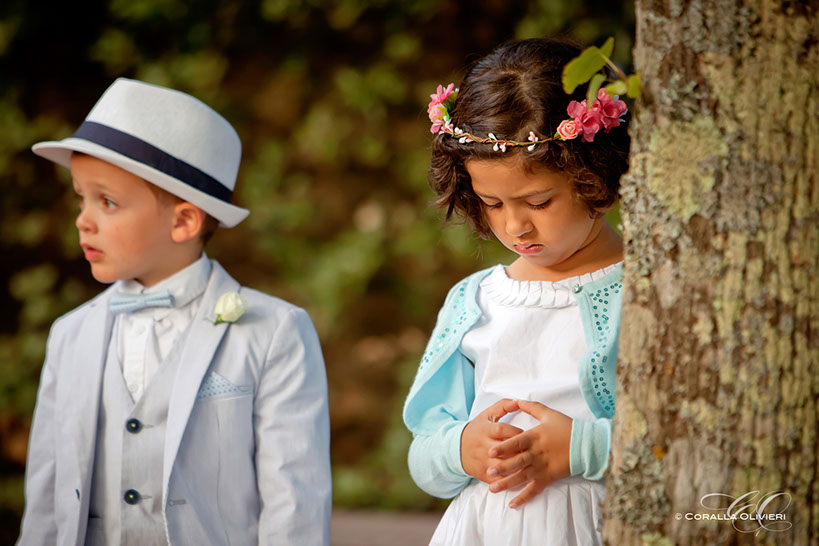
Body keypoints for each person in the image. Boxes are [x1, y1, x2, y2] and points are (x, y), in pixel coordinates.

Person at [17, 78, 332, 546]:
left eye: (107, 202)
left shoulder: (273, 331)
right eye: (81, 197)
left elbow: (294, 506)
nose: (83, 219)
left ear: (184, 221)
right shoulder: (70, 334)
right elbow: (46, 499)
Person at [403, 38, 630, 545]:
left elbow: (684, 440)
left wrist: (583, 448)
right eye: (492, 203)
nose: (515, 226)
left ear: (596, 174)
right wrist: (461, 449)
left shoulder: (645, 292)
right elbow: (424, 451)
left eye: (539, 201)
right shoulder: (476, 301)